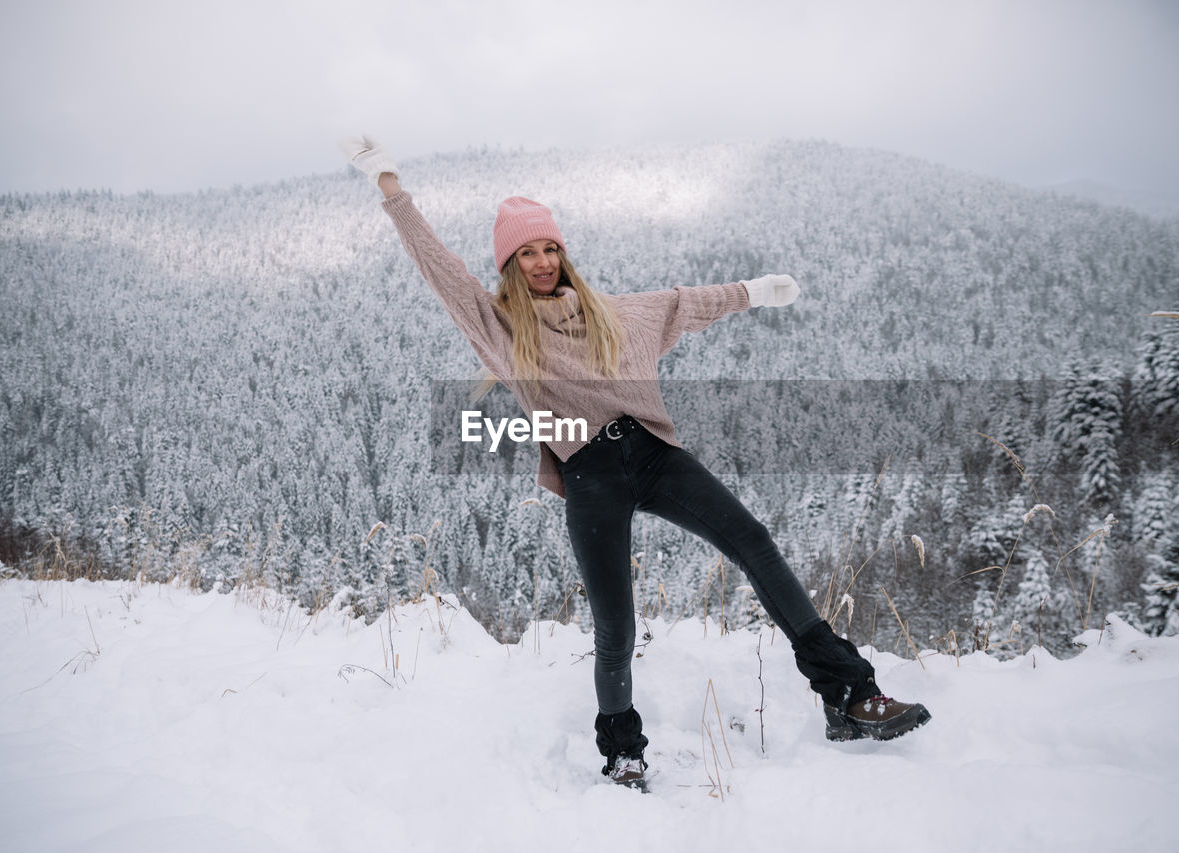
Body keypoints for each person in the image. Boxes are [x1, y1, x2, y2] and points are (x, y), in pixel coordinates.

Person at [339, 136, 930, 786]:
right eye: (526, 252)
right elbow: (442, 270)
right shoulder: (505, 329)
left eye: (548, 247)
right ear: (510, 265)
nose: (540, 261)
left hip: (656, 456)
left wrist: (754, 292)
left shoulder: (620, 316)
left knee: (755, 543)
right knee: (616, 624)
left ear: (563, 252)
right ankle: (623, 750)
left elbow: (687, 302)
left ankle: (848, 694)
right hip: (591, 475)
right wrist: (391, 189)